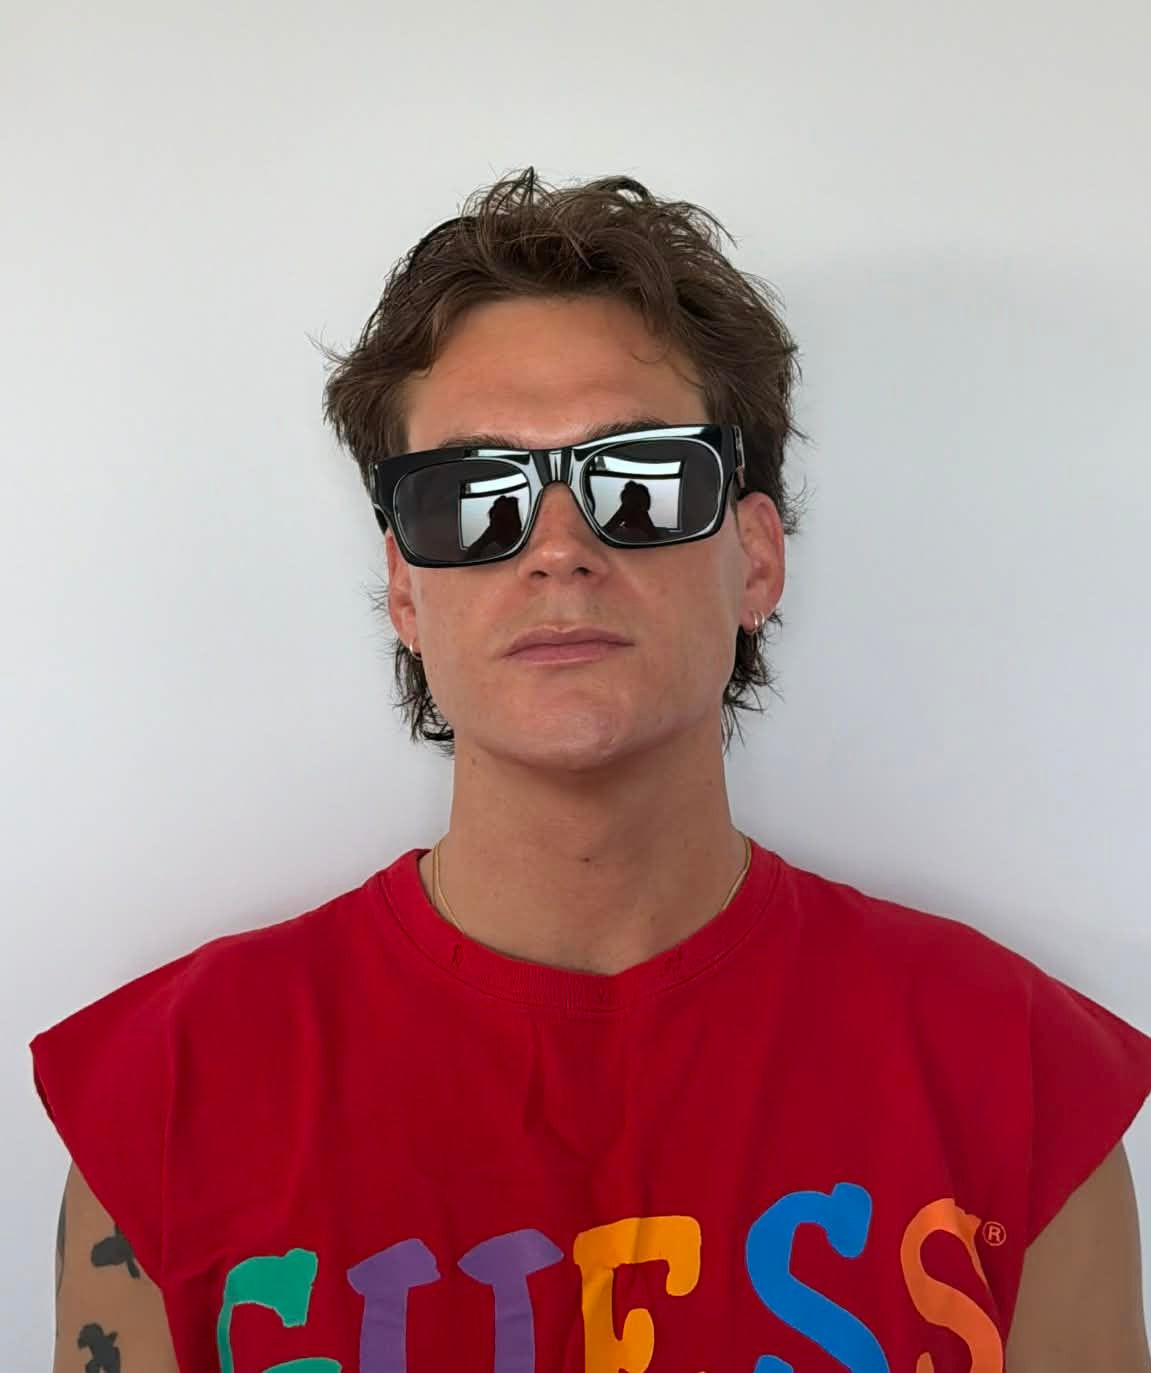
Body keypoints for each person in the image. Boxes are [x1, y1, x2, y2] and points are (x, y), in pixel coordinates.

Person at [31, 168, 1151, 1373]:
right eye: (470, 494)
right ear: (405, 586)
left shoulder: (1020, 1087)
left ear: (754, 558)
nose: (558, 547)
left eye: (643, 480)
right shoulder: (164, 1103)